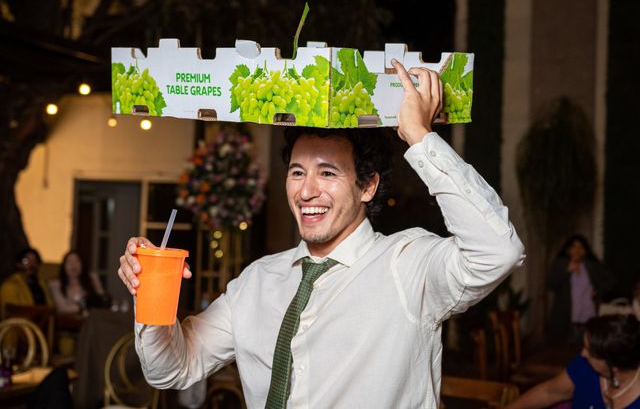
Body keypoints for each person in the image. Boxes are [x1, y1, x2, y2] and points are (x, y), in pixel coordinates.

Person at [118, 60, 525, 408]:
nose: (307, 190)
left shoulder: (407, 266)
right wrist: (150, 292)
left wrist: (419, 137)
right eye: (298, 172)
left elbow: (497, 251)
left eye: (327, 173)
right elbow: (170, 369)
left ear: (367, 186)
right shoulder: (257, 282)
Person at [506, 314, 640, 409]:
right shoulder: (584, 366)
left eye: (590, 351)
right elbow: (549, 392)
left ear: (613, 365)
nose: (583, 353)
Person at [548, 234, 616, 343]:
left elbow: (611, 281)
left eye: (580, 247)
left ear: (585, 250)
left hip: (588, 315)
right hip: (566, 317)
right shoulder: (561, 263)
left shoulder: (591, 265)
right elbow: (552, 285)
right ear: (568, 249)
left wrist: (598, 290)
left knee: (587, 346)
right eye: (574, 246)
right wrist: (567, 270)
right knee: (564, 351)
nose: (577, 250)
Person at [0, 248, 52, 313]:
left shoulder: (42, 284)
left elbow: (50, 307)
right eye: (26, 261)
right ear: (18, 264)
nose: (31, 264)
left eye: (35, 261)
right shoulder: (9, 286)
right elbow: (10, 311)